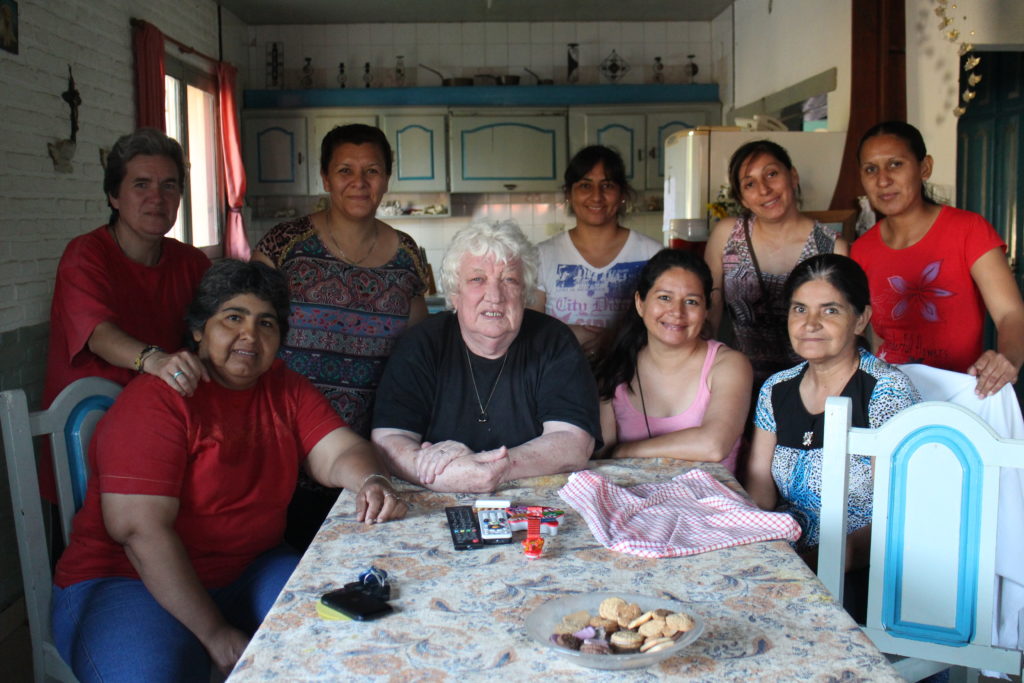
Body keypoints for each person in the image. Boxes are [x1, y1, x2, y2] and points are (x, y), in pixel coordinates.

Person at [51, 260, 406, 682]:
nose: (249, 336)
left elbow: (339, 451)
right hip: (127, 581)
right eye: (233, 318)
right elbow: (139, 532)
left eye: (266, 323)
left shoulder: (284, 388)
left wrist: (371, 479)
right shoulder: (158, 399)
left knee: (340, 635)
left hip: (249, 568)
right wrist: (215, 634)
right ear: (200, 329)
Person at [253, 123, 428, 547]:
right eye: (345, 170)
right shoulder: (283, 246)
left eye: (372, 171)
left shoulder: (408, 256)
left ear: (386, 178)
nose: (359, 182)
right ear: (325, 177)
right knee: (284, 560)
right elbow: (249, 337)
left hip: (370, 455)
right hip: (285, 446)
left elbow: (418, 358)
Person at [42, 128, 211, 500]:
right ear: (113, 196)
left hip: (163, 433)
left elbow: (215, 329)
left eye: (169, 185)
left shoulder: (192, 262)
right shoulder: (85, 255)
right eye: (141, 185)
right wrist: (154, 360)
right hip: (86, 435)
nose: (157, 198)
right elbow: (98, 334)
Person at [372, 220, 601, 493]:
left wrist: (498, 468)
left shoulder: (554, 341)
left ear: (524, 294)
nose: (495, 296)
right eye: (477, 279)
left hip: (535, 506)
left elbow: (574, 441)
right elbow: (389, 438)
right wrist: (433, 470)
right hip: (435, 502)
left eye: (509, 280)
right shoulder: (421, 344)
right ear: (455, 294)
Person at [746, 254, 919, 572]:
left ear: (861, 319)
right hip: (786, 554)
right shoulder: (776, 389)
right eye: (800, 309)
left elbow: (899, 513)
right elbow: (761, 488)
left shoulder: (885, 391)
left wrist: (820, 566)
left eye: (830, 310)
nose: (810, 324)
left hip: (863, 570)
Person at [851, 120, 1024, 397]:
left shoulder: (969, 230)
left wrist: (1008, 359)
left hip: (964, 393)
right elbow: (867, 336)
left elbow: (1011, 314)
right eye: (871, 169)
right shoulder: (861, 250)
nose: (883, 180)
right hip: (890, 397)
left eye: (896, 164)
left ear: (924, 168)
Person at [705, 139, 849, 386]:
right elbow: (710, 312)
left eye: (772, 174)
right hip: (739, 383)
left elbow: (841, 328)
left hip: (810, 387)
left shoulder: (831, 246)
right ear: (742, 198)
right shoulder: (726, 235)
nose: (764, 190)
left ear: (793, 176)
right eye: (750, 184)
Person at [594, 249, 751, 473]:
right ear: (640, 303)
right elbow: (601, 461)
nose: (677, 312)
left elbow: (713, 446)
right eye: (664, 298)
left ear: (707, 309)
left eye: (691, 302)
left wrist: (623, 451)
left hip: (711, 504)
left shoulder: (728, 365)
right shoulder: (616, 367)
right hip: (635, 503)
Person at [531, 145, 662, 355]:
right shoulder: (541, 256)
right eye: (585, 185)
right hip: (561, 380)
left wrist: (614, 339)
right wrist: (570, 334)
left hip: (635, 379)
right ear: (569, 194)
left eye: (607, 185)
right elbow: (530, 330)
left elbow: (669, 321)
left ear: (622, 194)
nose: (596, 196)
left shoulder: (653, 254)